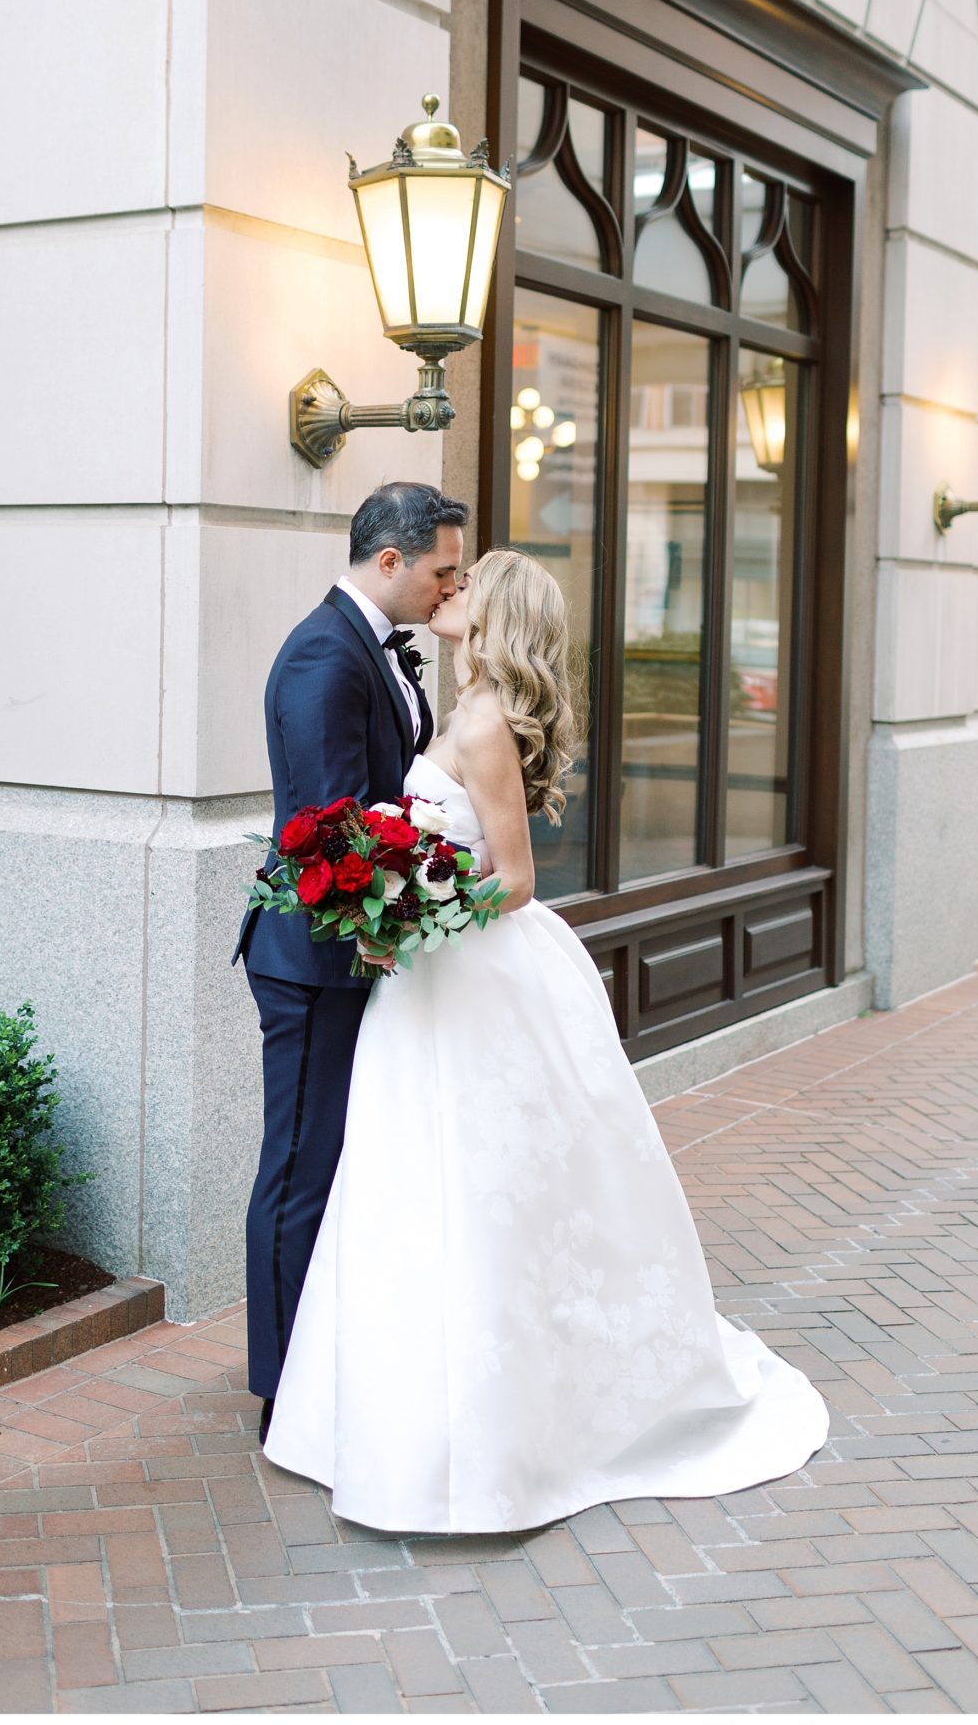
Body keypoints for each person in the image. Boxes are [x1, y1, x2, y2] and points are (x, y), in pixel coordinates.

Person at [262, 547, 830, 1532]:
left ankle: (491, 1435)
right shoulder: (463, 703)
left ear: (494, 615)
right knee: (410, 1184)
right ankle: (380, 1414)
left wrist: (415, 907)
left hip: (469, 975)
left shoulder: (481, 723)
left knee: (475, 1192)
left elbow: (514, 878)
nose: (450, 589)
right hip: (431, 983)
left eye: (466, 582)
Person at [232, 481, 468, 1447]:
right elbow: (324, 835)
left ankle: (321, 1361)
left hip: (360, 952)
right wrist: (394, 917)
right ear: (389, 561)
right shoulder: (324, 658)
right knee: (298, 1167)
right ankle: (280, 1390)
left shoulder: (377, 648)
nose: (449, 589)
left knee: (338, 1162)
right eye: (441, 570)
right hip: (315, 958)